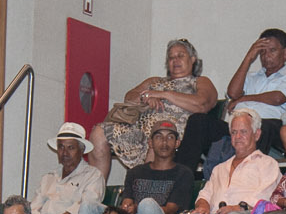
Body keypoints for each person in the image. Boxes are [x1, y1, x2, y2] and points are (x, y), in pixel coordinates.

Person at [87, 38, 218, 177]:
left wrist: (163, 94)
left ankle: (144, 186)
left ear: (192, 59)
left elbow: (202, 104)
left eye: (180, 55)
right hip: (139, 133)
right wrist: (146, 97)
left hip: (174, 134)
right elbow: (129, 97)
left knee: (158, 135)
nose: (175, 60)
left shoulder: (199, 81)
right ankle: (96, 187)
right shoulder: (155, 81)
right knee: (98, 133)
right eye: (171, 57)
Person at [180, 29, 286, 169]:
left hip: (269, 126)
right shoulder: (251, 76)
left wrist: (244, 98)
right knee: (198, 120)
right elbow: (233, 93)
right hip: (237, 126)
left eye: (272, 50)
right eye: (262, 52)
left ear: (285, 53)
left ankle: (246, 174)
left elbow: (278, 98)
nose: (266, 56)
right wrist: (248, 58)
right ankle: (181, 175)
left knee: (262, 126)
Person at [77, 119, 195, 214]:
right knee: (88, 206)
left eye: (170, 137)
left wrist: (138, 207)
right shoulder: (135, 172)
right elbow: (127, 202)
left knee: (147, 204)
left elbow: (170, 211)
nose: (164, 142)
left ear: (177, 143)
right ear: (150, 143)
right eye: (159, 137)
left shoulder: (183, 173)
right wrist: (127, 207)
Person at [173, 108, 282, 214]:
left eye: (243, 132)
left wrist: (238, 207)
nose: (238, 137)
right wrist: (203, 205)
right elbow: (205, 194)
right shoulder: (219, 168)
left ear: (256, 134)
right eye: (234, 132)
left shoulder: (267, 163)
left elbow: (266, 195)